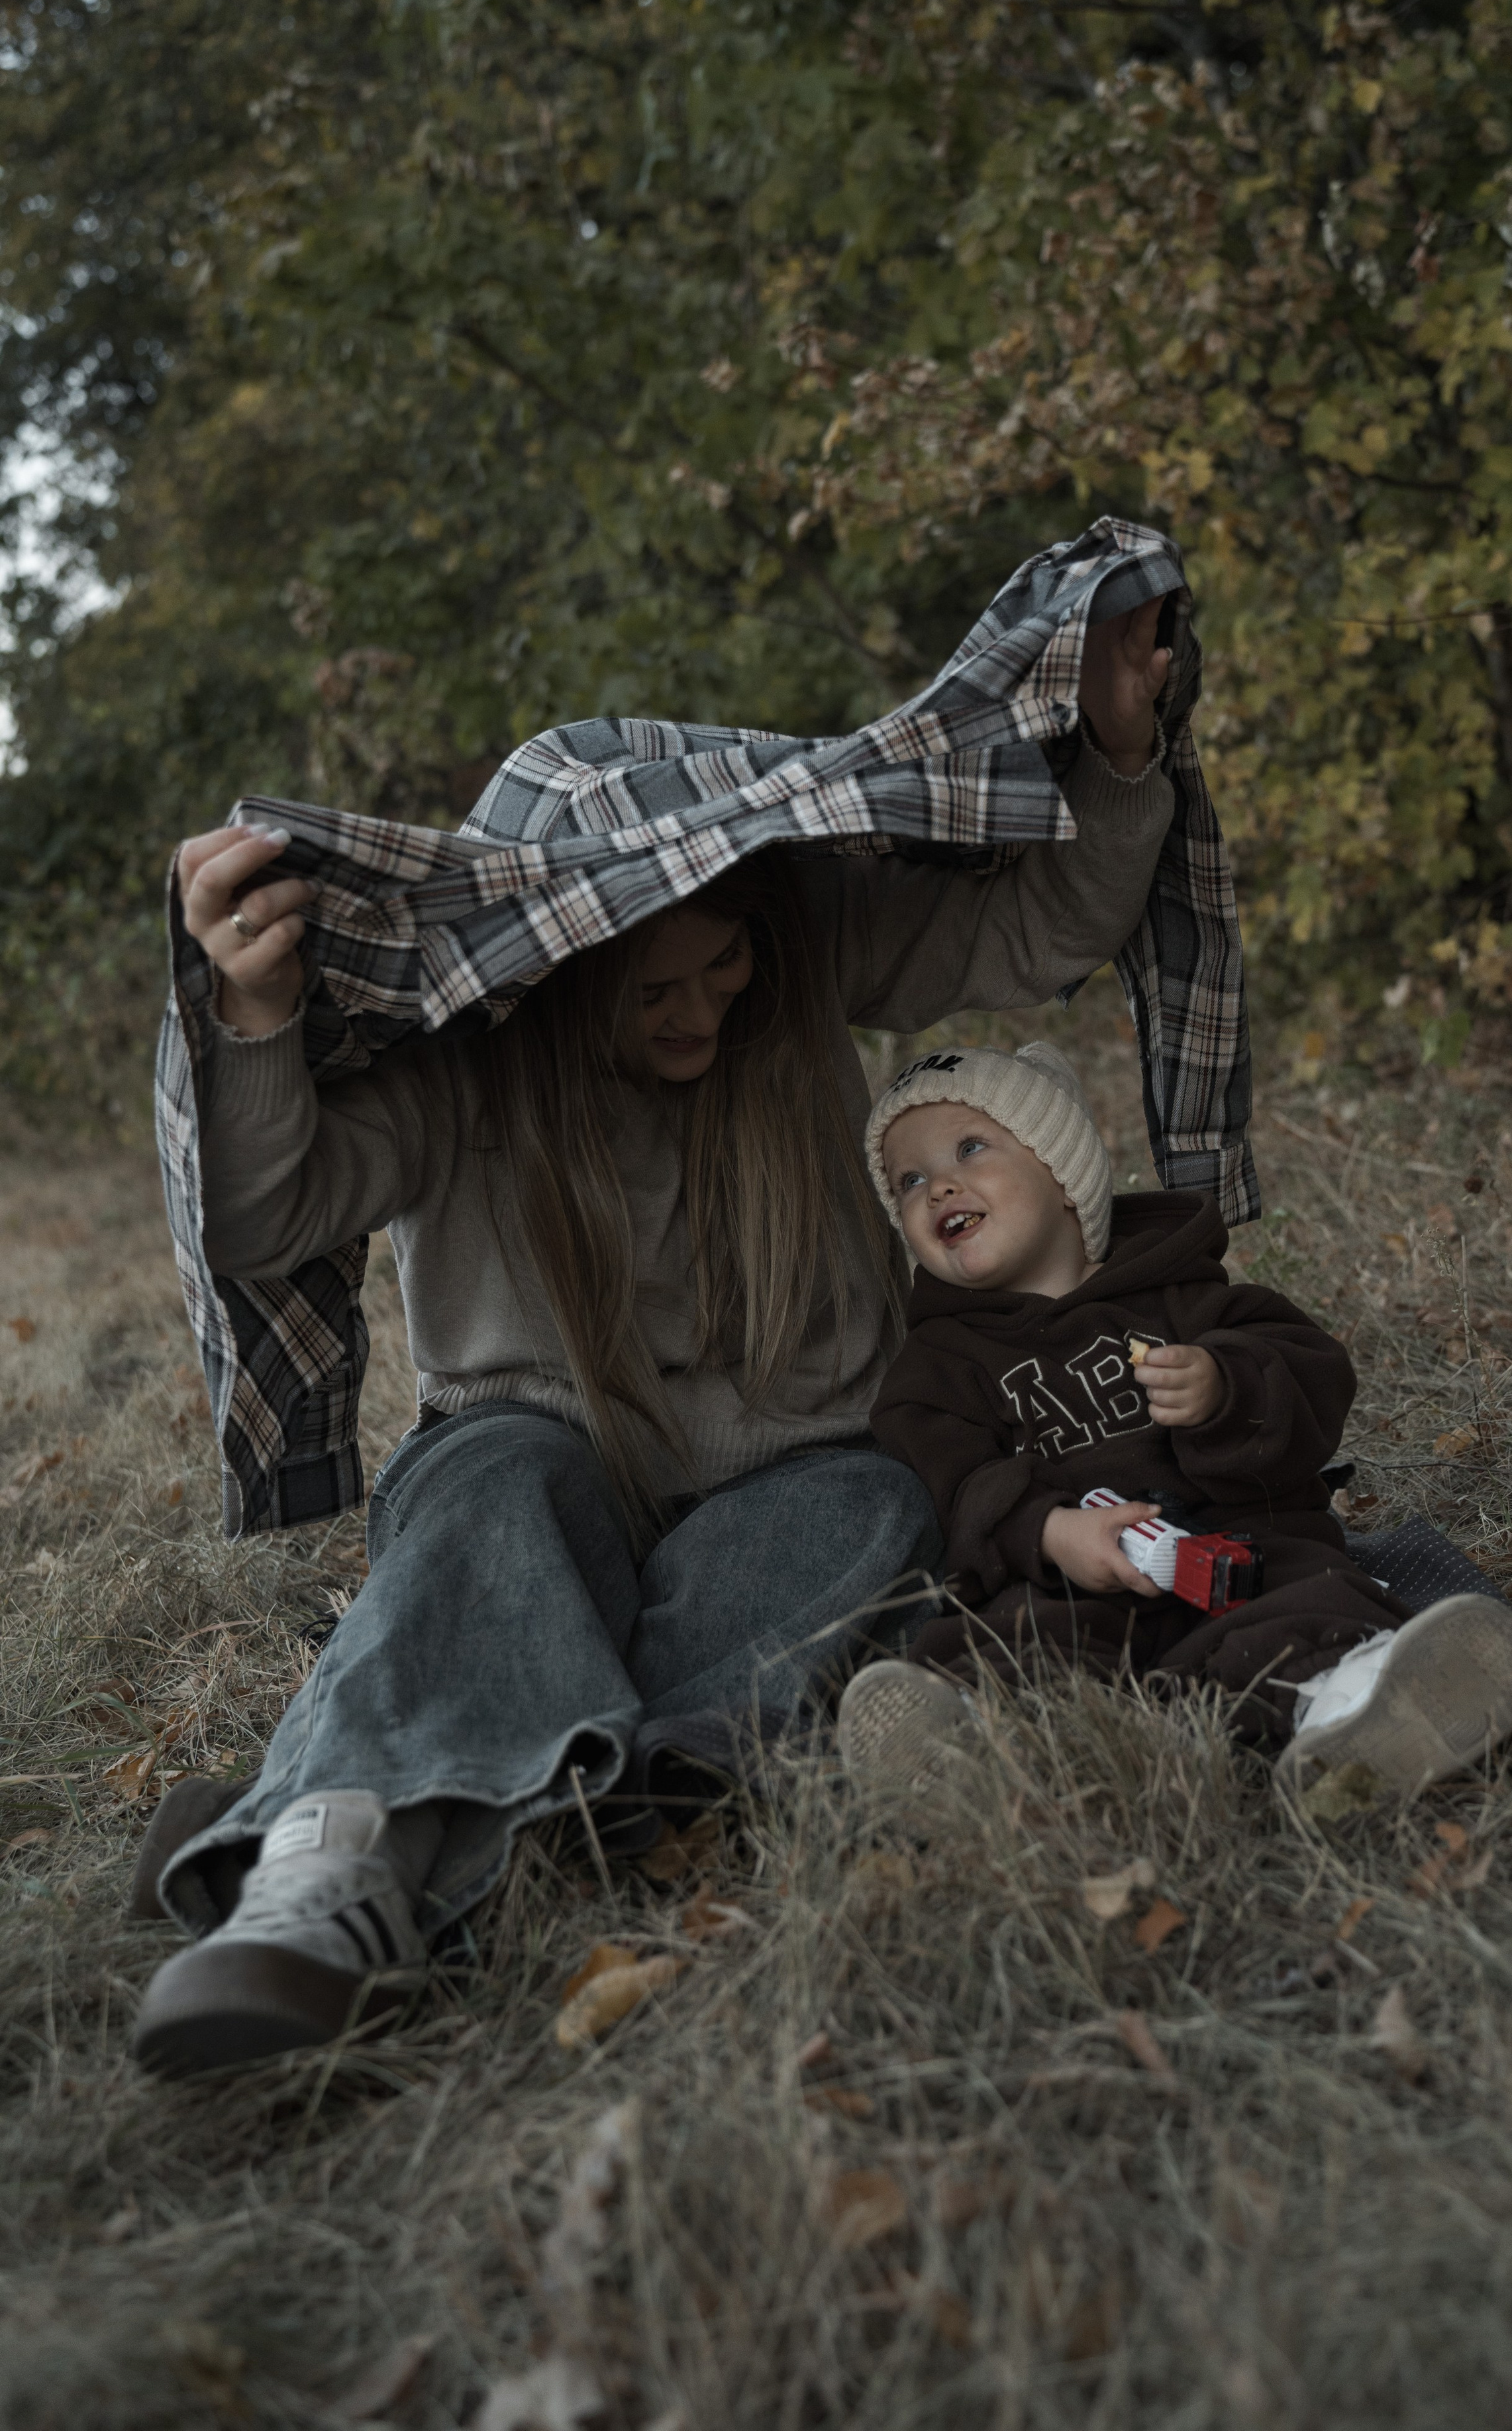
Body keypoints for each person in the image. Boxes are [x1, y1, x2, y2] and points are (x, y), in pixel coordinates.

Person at [132, 596, 1185, 2079]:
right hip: (537, 1441)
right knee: (494, 1507)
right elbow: (265, 1215)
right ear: (563, 972)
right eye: (655, 990)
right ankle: (320, 1880)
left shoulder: (804, 948)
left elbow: (1039, 924)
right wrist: (249, 1017)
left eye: (723, 970)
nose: (701, 1012)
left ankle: (456, 1792)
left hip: (792, 1462)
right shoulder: (474, 1052)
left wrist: (1120, 760)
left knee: (882, 1503)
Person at [840, 1041, 1512, 1809]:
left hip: (1237, 1549)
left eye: (970, 1148)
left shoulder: (1180, 1294)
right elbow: (951, 1483)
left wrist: (1224, 1384)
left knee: (1311, 1604)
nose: (938, 1187)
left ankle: (1353, 1710)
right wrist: (1045, 1532)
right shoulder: (936, 1365)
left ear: (1063, 1176)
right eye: (909, 1181)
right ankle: (974, 1749)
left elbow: (1313, 1375)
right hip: (1070, 1590)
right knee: (1008, 1645)